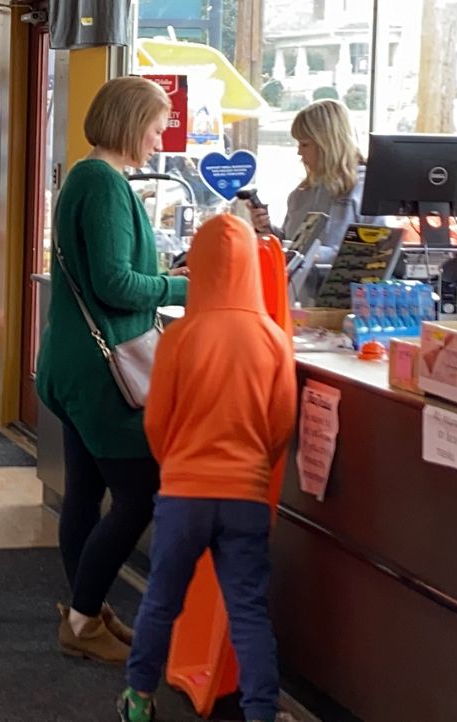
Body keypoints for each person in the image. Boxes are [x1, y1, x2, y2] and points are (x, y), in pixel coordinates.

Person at [116, 213, 297, 722]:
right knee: (247, 610)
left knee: (161, 602)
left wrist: (175, 464)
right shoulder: (272, 338)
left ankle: (137, 700)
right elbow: (282, 422)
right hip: (245, 496)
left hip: (183, 494)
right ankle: (261, 711)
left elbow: (157, 421)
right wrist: (256, 469)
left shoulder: (180, 337)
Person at [36, 75, 189, 665]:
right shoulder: (103, 184)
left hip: (72, 365)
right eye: (155, 125)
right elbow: (116, 283)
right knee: (140, 494)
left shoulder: (85, 177)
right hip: (104, 374)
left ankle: (86, 608)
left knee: (85, 494)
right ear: (130, 122)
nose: (158, 138)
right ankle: (81, 619)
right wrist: (184, 286)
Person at [248, 98, 375, 260]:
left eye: (305, 144)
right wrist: (266, 229)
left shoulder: (364, 190)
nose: (299, 152)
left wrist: (316, 255)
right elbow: (291, 245)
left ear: (328, 144)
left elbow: (375, 254)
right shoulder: (300, 194)